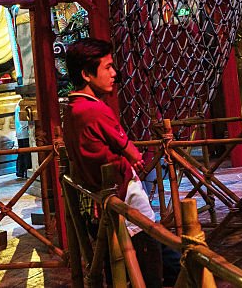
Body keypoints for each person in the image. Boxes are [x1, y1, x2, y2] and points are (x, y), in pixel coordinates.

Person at [61, 38, 166, 287]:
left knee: (116, 261)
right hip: (121, 193)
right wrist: (135, 158)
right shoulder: (93, 110)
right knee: (149, 257)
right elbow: (122, 141)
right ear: (86, 74)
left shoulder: (73, 108)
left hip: (100, 196)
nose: (114, 73)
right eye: (107, 67)